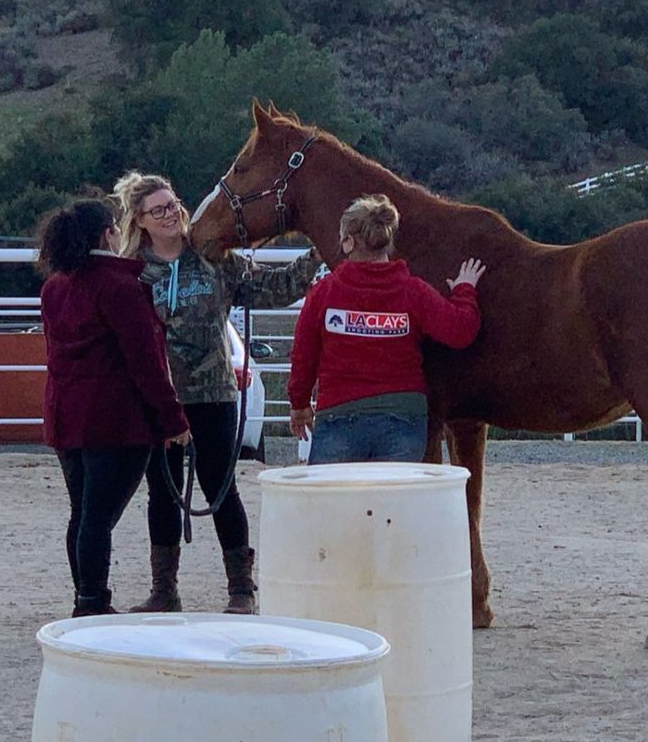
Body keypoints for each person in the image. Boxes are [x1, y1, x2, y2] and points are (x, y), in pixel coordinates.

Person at [113, 171, 322, 614]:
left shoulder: (213, 256)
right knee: (162, 489)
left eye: (173, 205)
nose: (171, 215)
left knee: (220, 485)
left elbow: (274, 288)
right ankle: (164, 590)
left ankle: (241, 589)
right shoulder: (133, 272)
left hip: (214, 392)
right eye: (159, 210)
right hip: (158, 394)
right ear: (140, 220)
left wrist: (318, 249)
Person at [37, 198, 190, 617]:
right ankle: (92, 602)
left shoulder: (55, 287)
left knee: (83, 513)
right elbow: (146, 362)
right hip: (113, 420)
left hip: (66, 414)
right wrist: (172, 418)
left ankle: (87, 598)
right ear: (109, 233)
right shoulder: (121, 287)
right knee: (97, 518)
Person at [288, 194, 485, 464]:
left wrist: (299, 406)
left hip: (339, 415)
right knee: (394, 503)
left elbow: (303, 355)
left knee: (332, 503)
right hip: (403, 419)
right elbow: (461, 330)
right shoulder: (412, 291)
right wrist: (465, 289)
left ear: (348, 242)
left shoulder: (324, 293)